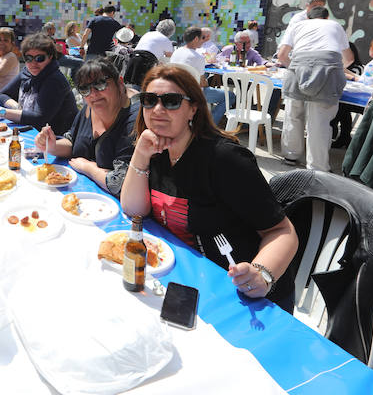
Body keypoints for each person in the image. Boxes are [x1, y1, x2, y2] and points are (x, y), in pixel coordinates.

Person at [119, 65, 298, 310]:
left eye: (171, 101)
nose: (157, 110)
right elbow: (133, 210)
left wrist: (261, 274)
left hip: (242, 295)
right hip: (185, 278)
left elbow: (282, 231)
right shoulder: (154, 148)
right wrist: (139, 156)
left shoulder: (225, 159)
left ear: (193, 108)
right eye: (149, 100)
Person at [34, 59, 138, 197]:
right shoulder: (89, 108)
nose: (93, 94)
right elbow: (72, 141)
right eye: (85, 89)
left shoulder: (134, 121)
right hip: (76, 195)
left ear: (119, 82)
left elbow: (122, 184)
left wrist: (88, 168)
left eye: (100, 84)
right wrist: (51, 145)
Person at [277, 6, 350, 171]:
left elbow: (282, 55)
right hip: (328, 68)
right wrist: (335, 69)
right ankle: (317, 167)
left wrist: (296, 68)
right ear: (327, 17)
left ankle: (290, 156)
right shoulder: (335, 25)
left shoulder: (297, 25)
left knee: (293, 115)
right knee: (319, 122)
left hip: (297, 66)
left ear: (308, 17)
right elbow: (349, 58)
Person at [0, 32, 78, 134]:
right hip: (33, 131)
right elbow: (3, 94)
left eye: (39, 58)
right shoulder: (27, 72)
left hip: (56, 138)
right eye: (28, 58)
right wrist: (17, 108)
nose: (33, 63)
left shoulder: (54, 80)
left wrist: (1, 112)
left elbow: (39, 119)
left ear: (50, 57)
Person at [170, 26, 231, 125]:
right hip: (194, 92)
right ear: (196, 39)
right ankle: (210, 124)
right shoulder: (198, 57)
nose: (203, 41)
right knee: (230, 96)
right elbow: (202, 83)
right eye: (202, 38)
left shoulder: (176, 52)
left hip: (176, 89)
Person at [331, 42, 365, 148]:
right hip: (340, 96)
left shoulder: (358, 67)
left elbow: (353, 80)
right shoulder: (339, 65)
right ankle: (339, 133)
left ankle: (343, 136)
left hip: (355, 99)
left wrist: (341, 71)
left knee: (342, 107)